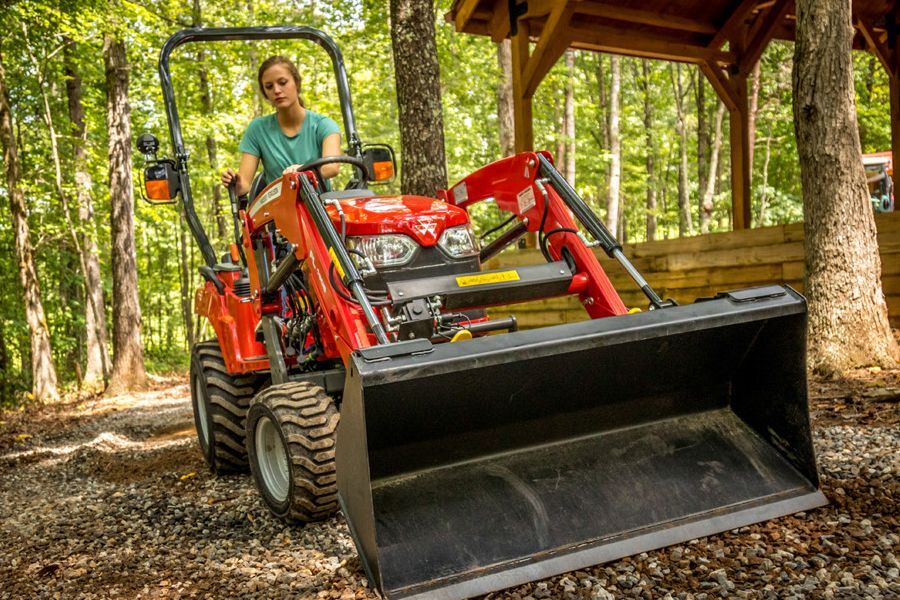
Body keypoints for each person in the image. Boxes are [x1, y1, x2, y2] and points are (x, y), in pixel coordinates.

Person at [221, 55, 341, 196]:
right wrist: (234, 182)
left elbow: (332, 167)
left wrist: (301, 171)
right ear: (265, 93)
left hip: (320, 209)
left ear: (296, 83)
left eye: (283, 82)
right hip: (279, 211)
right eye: (269, 86)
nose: (277, 90)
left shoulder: (324, 125)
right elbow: (244, 186)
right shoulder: (257, 129)